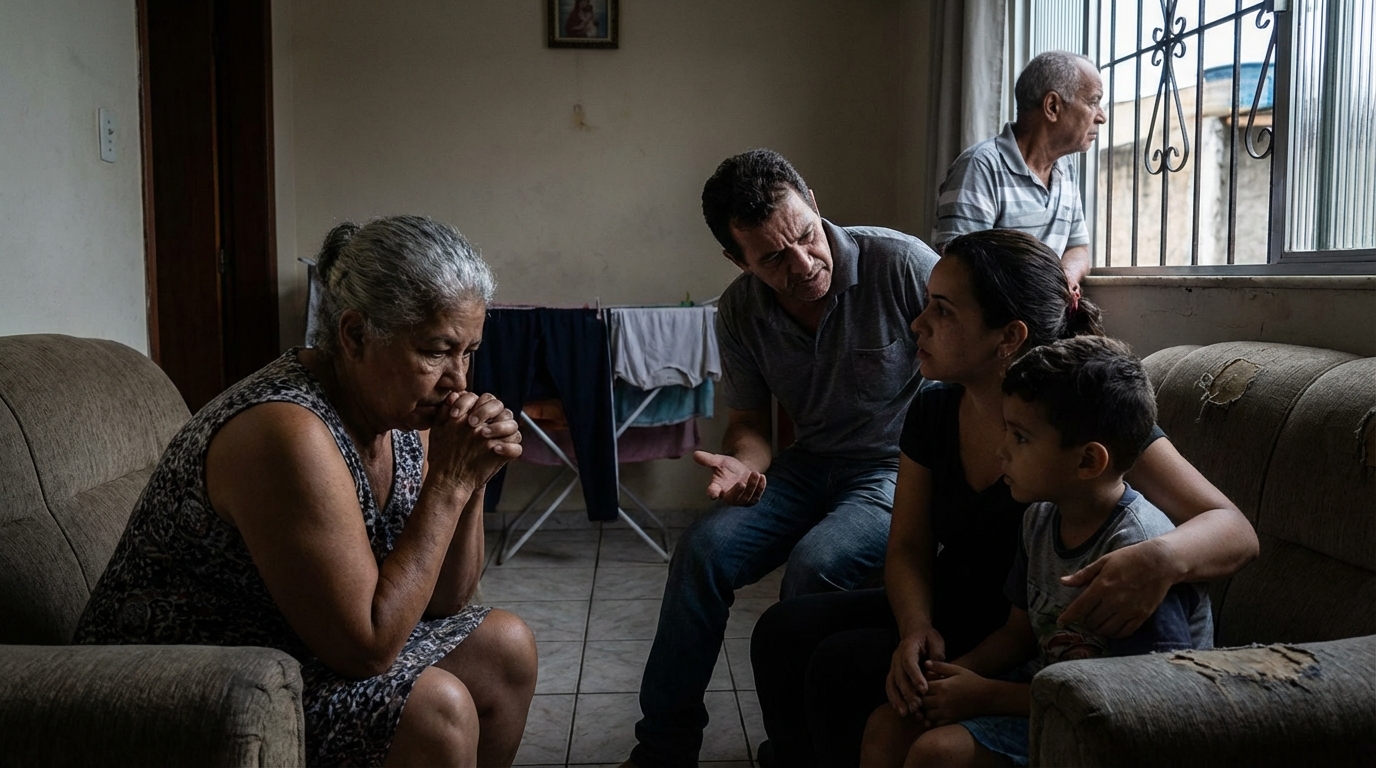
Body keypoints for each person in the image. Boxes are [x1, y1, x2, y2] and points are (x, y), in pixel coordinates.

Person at [749, 229, 1258, 768]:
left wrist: (1162, 559)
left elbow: (1234, 530)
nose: (917, 324)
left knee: (841, 665)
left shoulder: (1074, 420)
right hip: (959, 610)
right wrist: (915, 627)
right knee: (783, 631)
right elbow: (909, 547)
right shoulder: (935, 409)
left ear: (1008, 337)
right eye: (926, 304)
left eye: (942, 311)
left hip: (1023, 622)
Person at [76, 215, 538, 767]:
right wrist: (449, 482)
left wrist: (472, 477)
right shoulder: (285, 430)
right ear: (355, 334)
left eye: (469, 351)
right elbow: (366, 647)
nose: (459, 379)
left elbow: (446, 599)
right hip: (186, 683)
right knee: (436, 710)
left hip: (298, 651)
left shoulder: (406, 411)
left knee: (507, 647)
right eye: (437, 350)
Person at [625, 149, 939, 768]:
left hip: (894, 469)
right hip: (806, 465)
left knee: (816, 564)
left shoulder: (901, 264)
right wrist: (745, 465)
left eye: (805, 236)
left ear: (814, 204)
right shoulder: (739, 309)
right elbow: (751, 425)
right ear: (737, 260)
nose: (803, 264)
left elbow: (970, 365)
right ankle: (664, 747)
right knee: (702, 552)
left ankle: (796, 749)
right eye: (772, 258)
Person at [860, 335, 1214, 767]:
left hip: (1119, 728)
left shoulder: (1134, 555)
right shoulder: (1039, 518)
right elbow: (1020, 633)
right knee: (887, 726)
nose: (1001, 449)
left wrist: (989, 695)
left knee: (938, 753)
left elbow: (1147, 699)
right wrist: (949, 678)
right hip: (1050, 690)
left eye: (1021, 438)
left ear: (1088, 462)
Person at [931, 51, 1105, 297]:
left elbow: (1078, 247)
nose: (1102, 116)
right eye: (1093, 101)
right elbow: (958, 269)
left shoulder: (1066, 170)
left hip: (1041, 318)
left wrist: (1064, 278)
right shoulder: (980, 166)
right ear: (1053, 106)